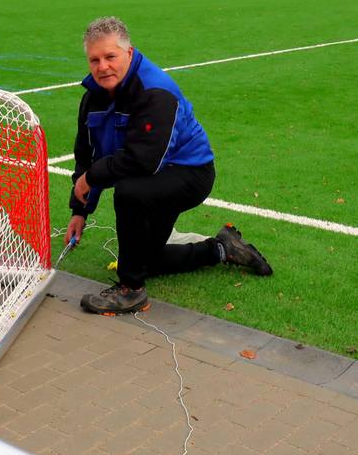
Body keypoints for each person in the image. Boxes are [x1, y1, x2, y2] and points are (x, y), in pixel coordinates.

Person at [67, 16, 272, 315]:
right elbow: (87, 152)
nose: (102, 67)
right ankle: (221, 249)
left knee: (129, 192)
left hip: (190, 173)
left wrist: (91, 178)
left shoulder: (155, 91)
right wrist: (80, 210)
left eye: (110, 56)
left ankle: (131, 291)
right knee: (144, 260)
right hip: (155, 173)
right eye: (94, 59)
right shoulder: (93, 97)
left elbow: (143, 160)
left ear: (129, 52)